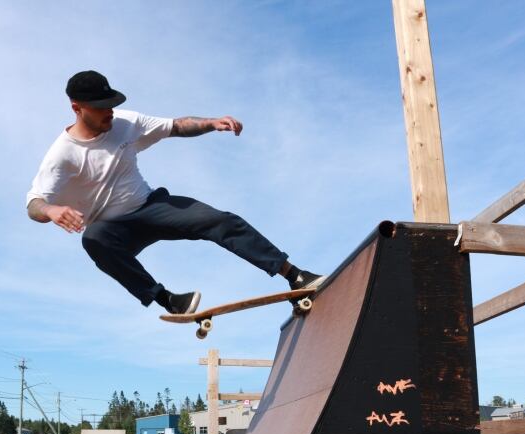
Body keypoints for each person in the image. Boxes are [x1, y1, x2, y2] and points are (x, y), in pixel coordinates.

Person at [27, 70, 325, 314]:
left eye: (111, 104)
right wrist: (52, 210)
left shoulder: (125, 122)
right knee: (93, 239)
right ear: (77, 108)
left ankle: (294, 274)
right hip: (115, 229)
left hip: (151, 206)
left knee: (219, 220)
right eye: (101, 107)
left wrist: (210, 123)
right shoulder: (62, 155)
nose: (110, 112)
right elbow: (34, 203)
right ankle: (168, 300)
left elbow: (176, 126)